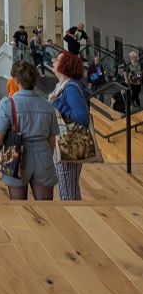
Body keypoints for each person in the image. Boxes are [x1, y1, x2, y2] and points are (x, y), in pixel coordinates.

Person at [0, 60, 58, 201]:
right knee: (46, 210)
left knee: (19, 210)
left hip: (16, 156)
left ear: (16, 80)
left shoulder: (7, 104)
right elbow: (52, 138)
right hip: (43, 155)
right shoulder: (47, 105)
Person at [49, 51, 90, 200]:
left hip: (69, 146)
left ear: (65, 65)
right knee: (69, 189)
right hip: (63, 144)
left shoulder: (71, 88)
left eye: (57, 59)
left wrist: (57, 103)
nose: (53, 61)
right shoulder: (62, 86)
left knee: (67, 194)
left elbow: (82, 117)